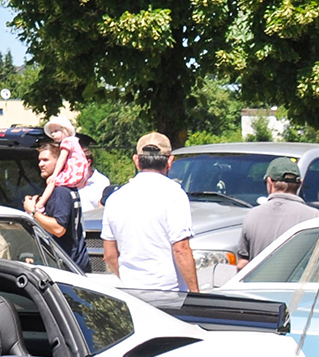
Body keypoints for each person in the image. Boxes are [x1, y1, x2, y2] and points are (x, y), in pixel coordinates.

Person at [100, 131, 196, 290]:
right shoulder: (174, 194)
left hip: (131, 292)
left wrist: (128, 279)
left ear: (136, 160)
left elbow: (109, 255)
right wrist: (195, 293)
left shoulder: (115, 199)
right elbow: (181, 249)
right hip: (168, 292)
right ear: (170, 161)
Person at [23, 134, 89, 271]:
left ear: (60, 162)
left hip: (68, 265)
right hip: (74, 263)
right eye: (40, 160)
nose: (41, 164)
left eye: (46, 160)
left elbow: (59, 229)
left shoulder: (60, 191)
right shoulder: (66, 188)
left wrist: (33, 212)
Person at [238, 156, 319, 261]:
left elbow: (242, 264)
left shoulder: (252, 216)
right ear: (300, 183)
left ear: (270, 182)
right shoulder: (314, 217)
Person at [33, 119, 91, 215]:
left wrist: (54, 175)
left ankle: (40, 205)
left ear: (66, 130)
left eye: (56, 131)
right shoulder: (75, 142)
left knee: (51, 182)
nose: (53, 135)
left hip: (73, 171)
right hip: (80, 173)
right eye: (52, 132)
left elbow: (62, 159)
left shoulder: (67, 142)